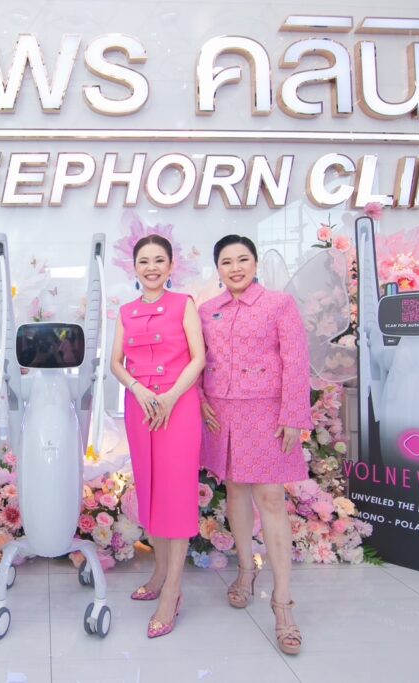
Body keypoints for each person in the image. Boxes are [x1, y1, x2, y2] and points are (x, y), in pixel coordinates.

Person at [199, 234, 311, 656]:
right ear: (218, 269)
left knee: (271, 498)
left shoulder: (279, 304)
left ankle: (283, 603)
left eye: (242, 259)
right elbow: (197, 359)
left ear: (256, 263)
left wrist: (293, 416)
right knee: (235, 491)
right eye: (226, 262)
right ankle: (246, 570)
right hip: (221, 414)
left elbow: (296, 360)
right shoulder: (207, 310)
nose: (235, 268)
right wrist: (200, 400)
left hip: (267, 412)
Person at [109, 235, 205, 638]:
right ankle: (160, 572)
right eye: (144, 261)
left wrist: (169, 397)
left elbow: (198, 358)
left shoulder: (184, 304)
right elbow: (116, 363)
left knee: (176, 496)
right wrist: (137, 388)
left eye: (159, 260)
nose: (151, 267)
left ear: (170, 266)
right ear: (134, 267)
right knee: (150, 491)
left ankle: (172, 592)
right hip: (140, 406)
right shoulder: (126, 311)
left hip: (178, 406)